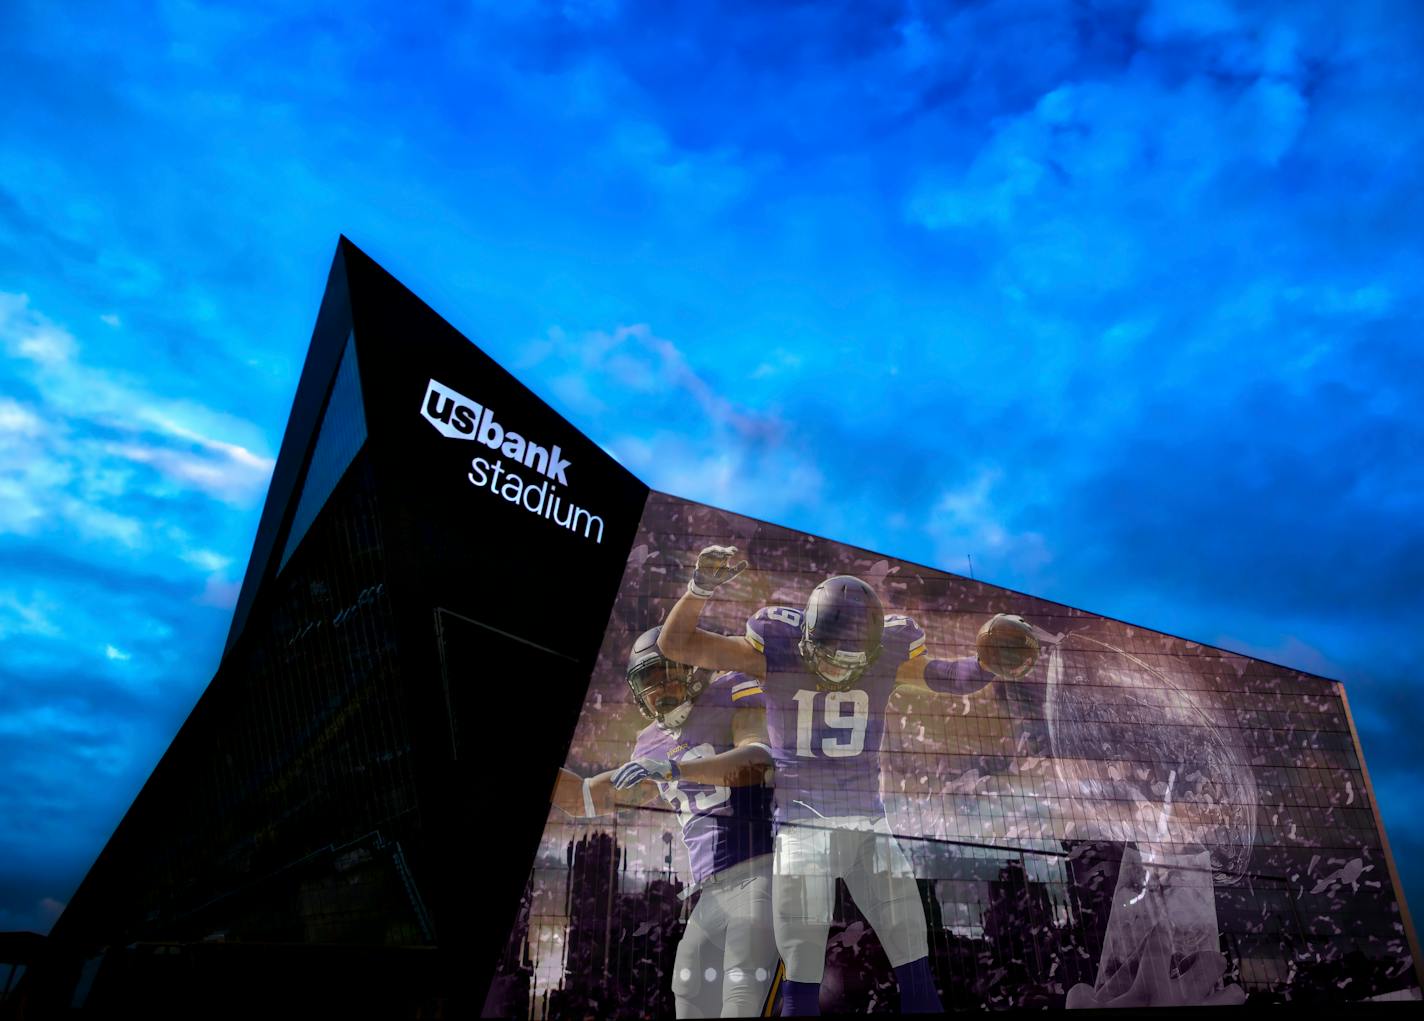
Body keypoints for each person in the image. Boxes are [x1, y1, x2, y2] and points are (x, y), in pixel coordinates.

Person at [657, 546, 1040, 1016]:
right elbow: (678, 645)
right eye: (829, 655)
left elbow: (947, 676)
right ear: (806, 637)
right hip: (802, 830)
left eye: (851, 660)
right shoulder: (773, 650)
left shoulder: (887, 656)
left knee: (914, 962)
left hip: (868, 826)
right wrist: (700, 588)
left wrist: (986, 667)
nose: (838, 669)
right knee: (802, 969)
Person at [552, 626, 781, 1018]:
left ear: (690, 668)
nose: (658, 689)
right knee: (690, 991)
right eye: (648, 681)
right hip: (712, 888)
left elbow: (757, 762)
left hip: (764, 869)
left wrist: (674, 769)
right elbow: (581, 798)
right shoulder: (650, 743)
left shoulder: (729, 692)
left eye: (665, 673)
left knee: (743, 994)